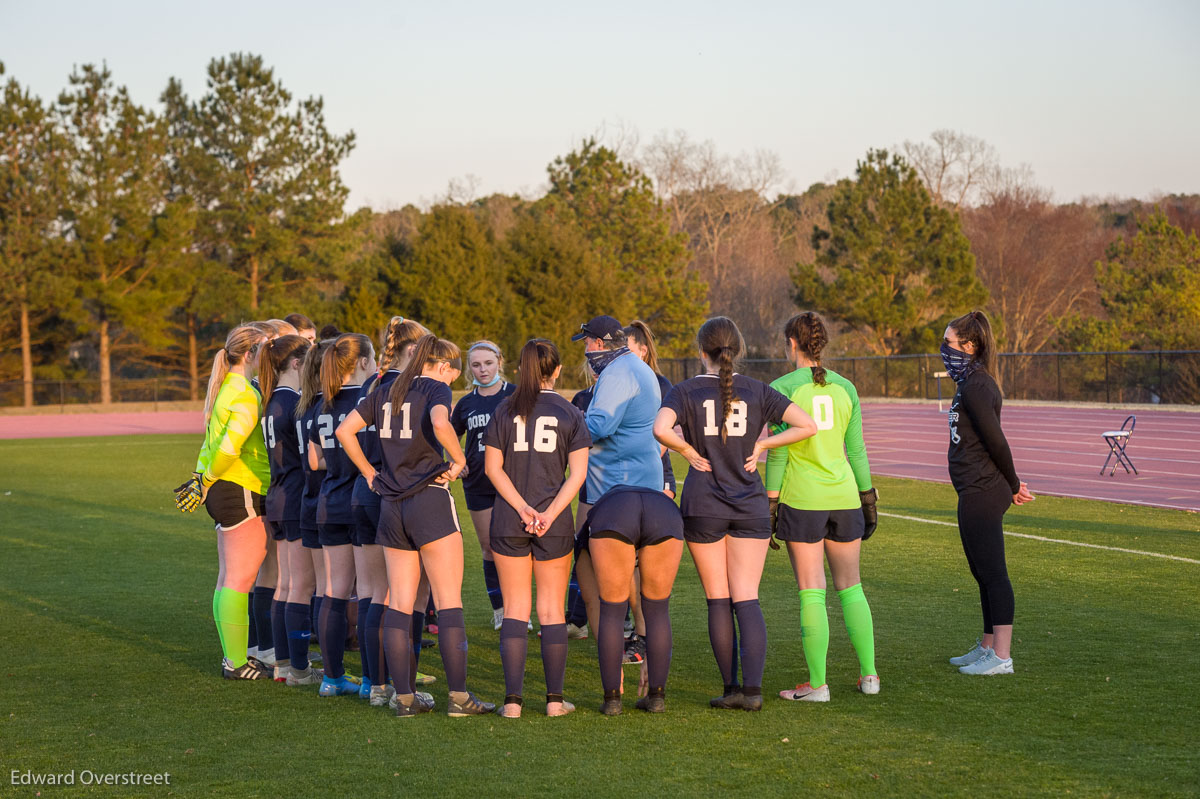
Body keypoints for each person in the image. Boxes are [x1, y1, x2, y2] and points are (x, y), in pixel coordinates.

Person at [654, 317, 817, 710]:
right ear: (738, 350)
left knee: (718, 599)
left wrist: (688, 452)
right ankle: (754, 692)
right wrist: (763, 446)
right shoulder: (759, 389)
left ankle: (730, 690)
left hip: (703, 505)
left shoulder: (685, 390)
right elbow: (808, 426)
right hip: (749, 504)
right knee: (747, 598)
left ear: (701, 352)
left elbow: (660, 429)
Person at [337, 334, 496, 717]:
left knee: (400, 603)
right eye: (455, 372)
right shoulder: (435, 390)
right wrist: (458, 461)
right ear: (442, 366)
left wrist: (370, 473)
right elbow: (442, 424)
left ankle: (404, 697)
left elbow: (345, 431)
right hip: (429, 500)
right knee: (447, 601)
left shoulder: (386, 389)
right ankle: (459, 697)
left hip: (391, 505)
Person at [766, 312, 880, 703]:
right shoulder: (846, 387)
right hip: (846, 497)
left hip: (804, 500)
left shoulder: (780, 387)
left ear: (792, 345)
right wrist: (868, 498)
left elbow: (778, 455)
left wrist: (770, 502)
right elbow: (858, 451)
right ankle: (870, 676)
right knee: (852, 589)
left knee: (811, 592)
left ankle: (818, 685)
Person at [571, 314, 675, 713]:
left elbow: (597, 426)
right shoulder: (641, 369)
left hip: (614, 495)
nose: (585, 349)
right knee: (655, 605)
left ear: (600, 343)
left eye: (587, 342)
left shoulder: (617, 371)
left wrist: (558, 420)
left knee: (612, 603)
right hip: (652, 495)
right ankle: (657, 696)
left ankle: (612, 697)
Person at [484, 339, 590, 718]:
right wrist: (546, 513)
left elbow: (492, 469)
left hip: (509, 518)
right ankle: (555, 702)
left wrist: (523, 507)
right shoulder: (570, 412)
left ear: (520, 369)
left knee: (515, 609)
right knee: (551, 611)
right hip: (555, 522)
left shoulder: (503, 409)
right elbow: (578, 474)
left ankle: (512, 703)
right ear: (557, 370)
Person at [174, 324, 271, 680]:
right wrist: (207, 479)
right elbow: (228, 447)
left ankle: (234, 656)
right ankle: (235, 662)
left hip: (223, 489)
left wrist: (202, 479)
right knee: (239, 581)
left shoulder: (226, 388)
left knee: (228, 578)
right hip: (239, 488)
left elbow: (210, 445)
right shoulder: (245, 393)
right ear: (249, 355)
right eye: (264, 350)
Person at [942, 310, 1034, 676]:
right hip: (973, 488)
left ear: (969, 345)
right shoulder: (969, 384)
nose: (943, 350)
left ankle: (1002, 656)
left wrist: (1013, 484)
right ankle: (987, 645)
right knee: (980, 571)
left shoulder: (978, 386)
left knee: (994, 572)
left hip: (983, 490)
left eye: (948, 343)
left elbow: (996, 440)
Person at [353, 316, 431, 707]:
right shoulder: (410, 387)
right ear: (413, 350)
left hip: (366, 491)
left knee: (375, 593)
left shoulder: (374, 383)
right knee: (405, 595)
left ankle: (375, 682)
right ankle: (401, 681)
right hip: (395, 492)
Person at [309, 333, 375, 697]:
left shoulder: (321, 403)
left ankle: (331, 678)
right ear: (363, 361)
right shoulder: (366, 400)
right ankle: (369, 680)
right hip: (359, 500)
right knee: (366, 591)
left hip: (328, 500)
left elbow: (315, 459)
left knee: (332, 591)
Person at [257, 334, 313, 683]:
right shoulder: (294, 403)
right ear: (297, 364)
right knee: (298, 586)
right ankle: (297, 668)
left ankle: (283, 664)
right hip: (294, 498)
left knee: (285, 585)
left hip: (277, 496)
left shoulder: (270, 401)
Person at [450, 341, 516, 630]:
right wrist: (455, 461)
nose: (483, 369)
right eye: (476, 365)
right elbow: (447, 437)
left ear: (499, 361)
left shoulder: (515, 395)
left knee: (514, 547)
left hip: (513, 482)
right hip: (478, 483)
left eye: (488, 363)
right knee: (489, 548)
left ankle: (517, 609)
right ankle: (500, 610)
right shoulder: (465, 403)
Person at [622, 320, 677, 665]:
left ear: (643, 349)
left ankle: (645, 634)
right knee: (625, 560)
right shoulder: (616, 379)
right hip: (622, 478)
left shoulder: (660, 384)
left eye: (626, 347)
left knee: (646, 563)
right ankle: (636, 627)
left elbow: (665, 435)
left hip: (653, 478)